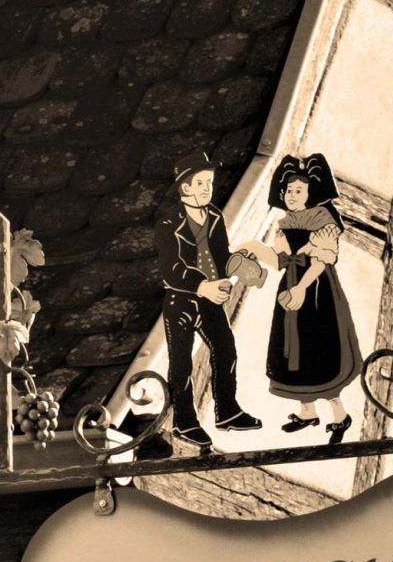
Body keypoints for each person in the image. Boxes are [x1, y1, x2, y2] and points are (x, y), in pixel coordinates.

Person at [145, 153, 262, 456]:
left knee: (225, 349)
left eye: (209, 182)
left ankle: (227, 410)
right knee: (181, 362)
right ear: (184, 188)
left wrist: (237, 265)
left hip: (210, 299)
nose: (207, 188)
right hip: (182, 299)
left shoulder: (215, 217)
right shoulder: (169, 223)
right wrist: (202, 286)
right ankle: (184, 421)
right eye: (200, 183)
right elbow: (171, 269)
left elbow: (221, 256)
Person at [261, 153, 360, 442]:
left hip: (316, 291)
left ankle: (340, 416)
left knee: (318, 347)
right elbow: (280, 259)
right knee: (294, 349)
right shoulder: (285, 223)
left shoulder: (323, 220)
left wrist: (302, 287)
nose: (292, 196)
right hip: (291, 285)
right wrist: (251, 252)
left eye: (298, 191)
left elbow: (320, 262)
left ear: (310, 194)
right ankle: (307, 412)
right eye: (289, 191)